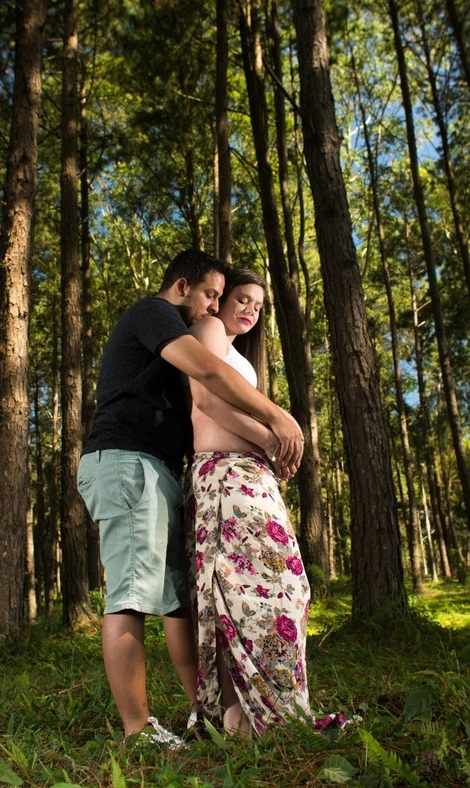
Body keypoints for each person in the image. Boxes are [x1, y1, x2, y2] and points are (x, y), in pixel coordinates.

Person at [75, 250, 304, 749]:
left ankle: (206, 717)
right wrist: (278, 418)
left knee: (178, 601)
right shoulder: (155, 312)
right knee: (130, 596)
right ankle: (137, 731)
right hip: (126, 461)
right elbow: (209, 374)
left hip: (156, 468)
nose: (213, 308)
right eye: (210, 295)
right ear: (182, 286)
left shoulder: (182, 324)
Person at [187, 268, 338, 736]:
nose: (250, 310)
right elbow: (207, 400)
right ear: (221, 299)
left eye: (258, 305)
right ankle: (241, 714)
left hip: (250, 476)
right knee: (240, 593)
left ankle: (271, 710)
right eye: (242, 299)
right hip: (225, 474)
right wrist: (274, 437)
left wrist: (271, 450)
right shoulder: (209, 329)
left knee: (285, 588)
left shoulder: (240, 355)